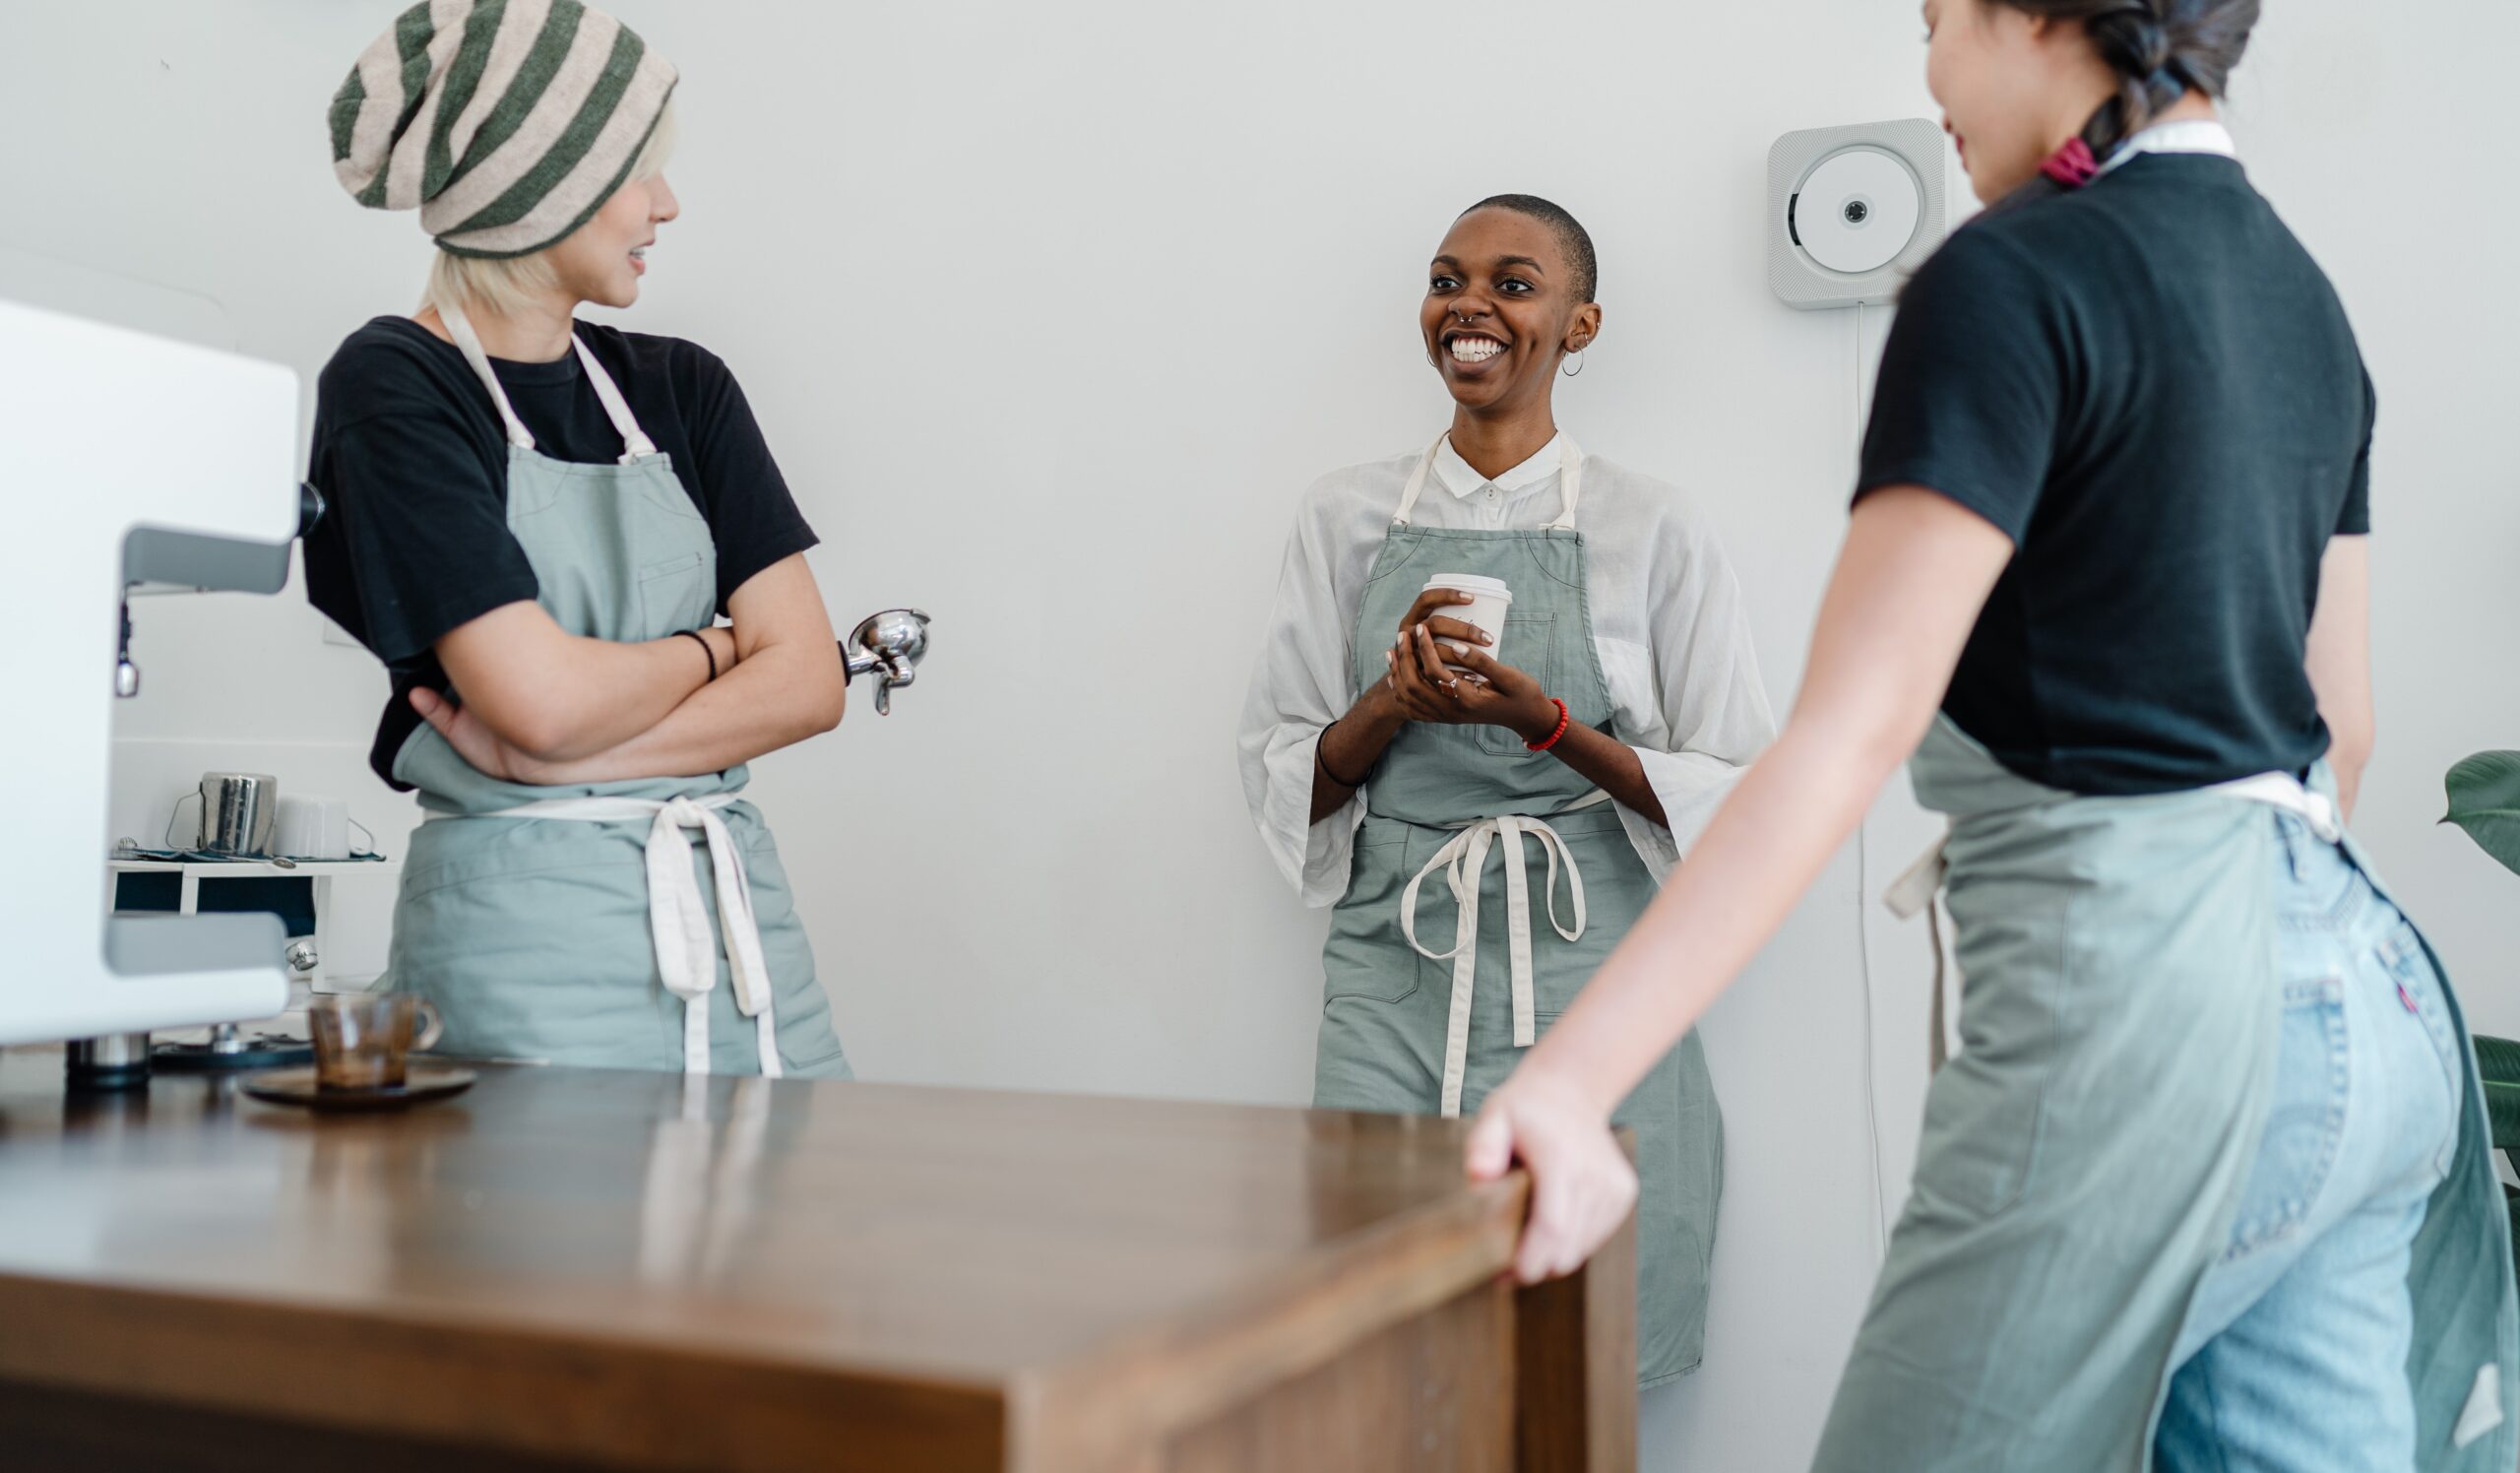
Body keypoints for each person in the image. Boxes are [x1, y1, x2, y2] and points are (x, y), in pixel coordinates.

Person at [1465, 2, 2520, 1466]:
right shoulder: (2300, 295)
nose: (1928, 71)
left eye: (1939, 19)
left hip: (2141, 1007)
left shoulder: (2009, 274)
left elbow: (1846, 734)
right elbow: (2342, 730)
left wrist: (1571, 1085)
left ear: (2037, 11)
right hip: (2368, 1017)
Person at [1238, 195, 1775, 1386]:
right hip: (1394, 960)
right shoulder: (1344, 515)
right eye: (1445, 279)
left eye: (1513, 282)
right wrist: (1391, 704)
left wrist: (1545, 724)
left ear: (1579, 323)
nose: (1468, 305)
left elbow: (1740, 793)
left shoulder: (1652, 525)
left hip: (1593, 972)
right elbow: (1282, 765)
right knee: (1369, 1312)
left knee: (1577, 1340)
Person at [303, 1, 852, 1078]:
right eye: (637, 173)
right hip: (524, 959)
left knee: (793, 1238)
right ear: (536, 189)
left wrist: (546, 762)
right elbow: (539, 700)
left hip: (745, 951)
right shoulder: (395, 388)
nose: (668, 204)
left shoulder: (682, 387)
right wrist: (714, 648)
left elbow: (810, 684)